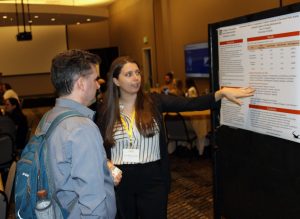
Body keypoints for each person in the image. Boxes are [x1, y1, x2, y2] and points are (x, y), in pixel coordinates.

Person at [96, 56, 254, 219]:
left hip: (153, 177)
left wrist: (220, 93)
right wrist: (107, 164)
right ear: (116, 81)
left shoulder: (154, 102)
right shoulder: (105, 111)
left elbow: (190, 103)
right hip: (120, 180)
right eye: (128, 74)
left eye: (137, 72)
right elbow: (97, 146)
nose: (136, 78)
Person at [35, 49, 117, 218]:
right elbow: (92, 202)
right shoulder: (81, 128)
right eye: (95, 79)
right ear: (80, 83)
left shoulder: (49, 118)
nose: (98, 84)